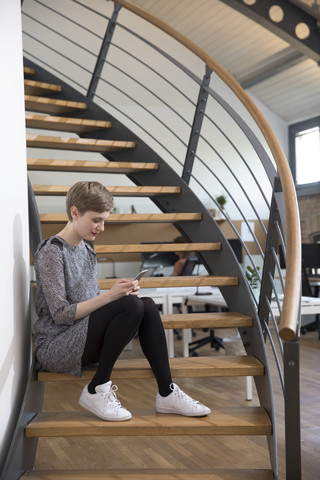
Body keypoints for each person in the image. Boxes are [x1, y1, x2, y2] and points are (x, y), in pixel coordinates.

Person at [33, 181, 210, 422]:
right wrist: (110, 296)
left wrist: (119, 294)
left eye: (104, 220)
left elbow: (91, 304)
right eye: (96, 220)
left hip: (83, 336)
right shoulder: (52, 252)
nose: (102, 227)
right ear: (75, 212)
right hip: (56, 346)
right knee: (131, 305)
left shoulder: (87, 248)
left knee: (144, 304)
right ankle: (97, 388)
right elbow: (61, 315)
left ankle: (167, 392)